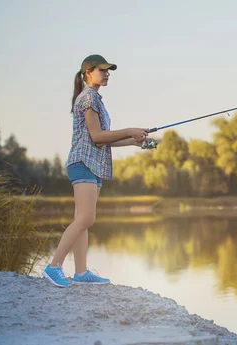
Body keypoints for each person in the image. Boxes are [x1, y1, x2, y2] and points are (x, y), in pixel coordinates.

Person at [43, 54, 149, 287]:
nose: (107, 73)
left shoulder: (96, 100)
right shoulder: (88, 97)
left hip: (92, 163)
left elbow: (101, 141)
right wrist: (130, 129)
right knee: (86, 218)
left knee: (83, 219)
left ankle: (81, 273)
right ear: (88, 73)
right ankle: (53, 267)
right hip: (83, 162)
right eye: (103, 70)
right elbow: (97, 136)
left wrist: (132, 141)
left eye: (108, 70)